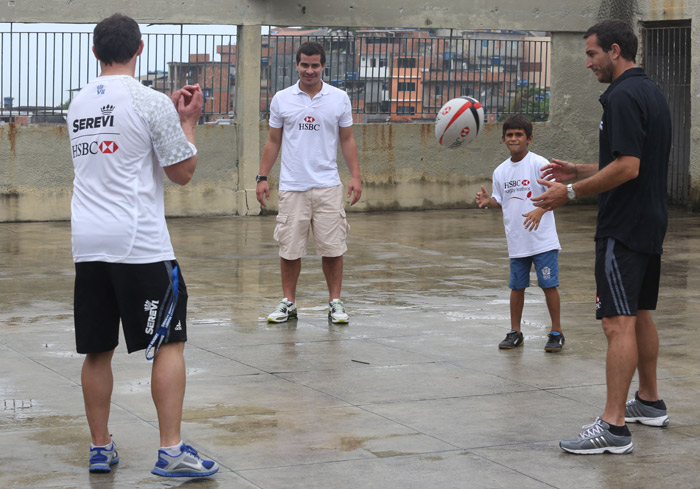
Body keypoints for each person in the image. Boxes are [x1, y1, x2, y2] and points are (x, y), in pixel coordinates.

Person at [67, 14, 218, 477]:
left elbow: (120, 152)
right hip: (139, 243)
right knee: (171, 340)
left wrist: (167, 119)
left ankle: (99, 446)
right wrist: (187, 122)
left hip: (88, 242)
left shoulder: (76, 104)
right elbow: (182, 172)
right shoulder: (149, 101)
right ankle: (171, 451)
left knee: (97, 349)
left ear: (95, 52)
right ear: (141, 48)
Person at [531, 19, 672, 454]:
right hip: (649, 221)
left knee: (616, 322)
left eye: (591, 54)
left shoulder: (622, 96)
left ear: (614, 50)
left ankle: (613, 426)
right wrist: (580, 169)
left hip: (623, 227)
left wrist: (569, 191)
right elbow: (632, 162)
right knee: (640, 312)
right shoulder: (650, 91)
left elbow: (628, 167)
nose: (588, 62)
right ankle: (649, 401)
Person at [256, 41, 362, 324]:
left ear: (323, 66)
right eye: (305, 64)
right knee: (290, 249)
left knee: (333, 248)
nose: (310, 70)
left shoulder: (339, 98)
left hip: (328, 185)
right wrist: (262, 177)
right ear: (297, 65)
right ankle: (289, 303)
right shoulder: (282, 98)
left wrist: (355, 176)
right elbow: (273, 141)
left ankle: (335, 302)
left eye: (315, 65)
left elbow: (347, 139)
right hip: (293, 186)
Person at [476, 115, 565, 352]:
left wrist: (539, 210)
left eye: (519, 134)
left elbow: (557, 194)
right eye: (510, 135)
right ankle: (515, 332)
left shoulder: (539, 164)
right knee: (517, 287)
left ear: (529, 138)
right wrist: (489, 201)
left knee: (549, 285)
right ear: (503, 139)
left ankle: (556, 332)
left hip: (542, 241)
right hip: (517, 242)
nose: (514, 138)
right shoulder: (500, 171)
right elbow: (501, 201)